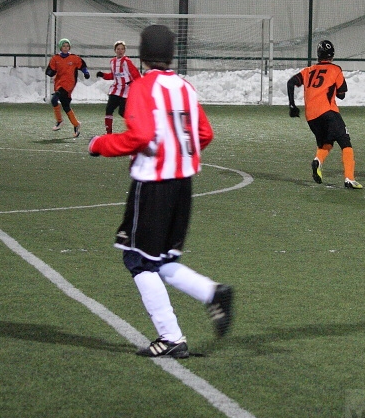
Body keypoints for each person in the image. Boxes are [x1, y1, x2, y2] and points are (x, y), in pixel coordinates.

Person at [87, 24, 233, 358]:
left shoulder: (142, 86)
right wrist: (179, 155)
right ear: (170, 54)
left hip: (153, 186)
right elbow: (205, 134)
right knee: (164, 259)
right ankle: (212, 293)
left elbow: (140, 136)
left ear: (143, 54)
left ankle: (171, 336)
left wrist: (100, 144)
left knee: (137, 259)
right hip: (183, 185)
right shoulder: (184, 86)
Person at [287, 40, 361, 189]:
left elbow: (290, 82)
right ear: (332, 55)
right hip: (328, 112)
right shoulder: (335, 69)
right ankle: (349, 178)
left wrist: (292, 105)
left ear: (318, 55)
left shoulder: (308, 71)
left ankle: (318, 161)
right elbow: (342, 94)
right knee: (345, 141)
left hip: (311, 117)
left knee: (326, 142)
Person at [46, 38, 89, 137]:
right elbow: (50, 69)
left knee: (54, 99)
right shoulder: (55, 58)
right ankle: (76, 124)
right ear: (60, 47)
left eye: (67, 46)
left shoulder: (74, 58)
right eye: (63, 46)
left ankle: (60, 121)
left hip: (69, 84)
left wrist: (86, 72)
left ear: (69, 47)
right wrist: (50, 72)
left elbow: (82, 65)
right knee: (65, 106)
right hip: (59, 84)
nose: (65, 48)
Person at [97, 40, 141, 135]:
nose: (120, 51)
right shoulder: (112, 61)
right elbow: (113, 75)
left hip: (126, 90)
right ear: (115, 50)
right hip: (116, 89)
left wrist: (133, 84)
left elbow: (136, 75)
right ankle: (109, 134)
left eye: (122, 49)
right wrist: (103, 75)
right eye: (118, 49)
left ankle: (137, 125)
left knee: (122, 112)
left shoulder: (127, 62)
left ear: (124, 50)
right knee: (109, 109)